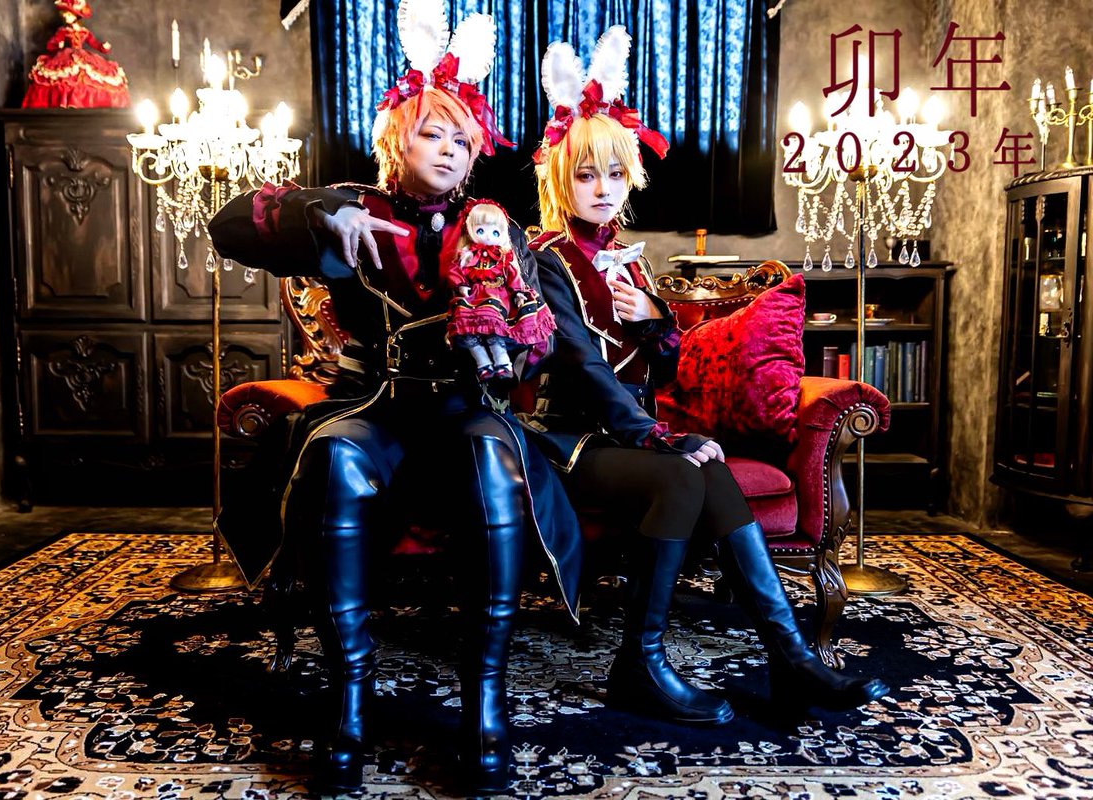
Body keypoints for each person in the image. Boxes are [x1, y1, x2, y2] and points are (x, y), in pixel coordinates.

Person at [207, 5, 580, 794]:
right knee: (331, 456)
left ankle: (484, 703)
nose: (448, 150)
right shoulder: (349, 207)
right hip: (373, 407)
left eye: (462, 141)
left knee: (491, 458)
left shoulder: (494, 227)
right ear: (393, 141)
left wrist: (510, 334)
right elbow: (227, 225)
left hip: (466, 412)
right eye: (431, 134)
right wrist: (318, 213)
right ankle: (348, 700)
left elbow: (538, 343)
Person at [525, 26, 890, 725]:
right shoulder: (544, 258)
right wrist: (660, 437)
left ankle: (790, 660)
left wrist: (654, 319)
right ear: (559, 179)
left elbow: (665, 366)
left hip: (625, 437)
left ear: (630, 179)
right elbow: (578, 364)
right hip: (567, 440)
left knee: (709, 471)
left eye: (614, 175)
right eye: (586, 174)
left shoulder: (629, 262)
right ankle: (641, 665)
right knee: (684, 473)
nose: (602, 189)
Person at [444, 199, 556, 381]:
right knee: (468, 332)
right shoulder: (468, 255)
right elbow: (455, 271)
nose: (488, 237)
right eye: (480, 231)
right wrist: (461, 284)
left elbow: (513, 275)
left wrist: (518, 292)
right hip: (474, 298)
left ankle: (503, 362)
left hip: (497, 298)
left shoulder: (503, 258)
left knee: (496, 333)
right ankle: (483, 363)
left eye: (495, 232)